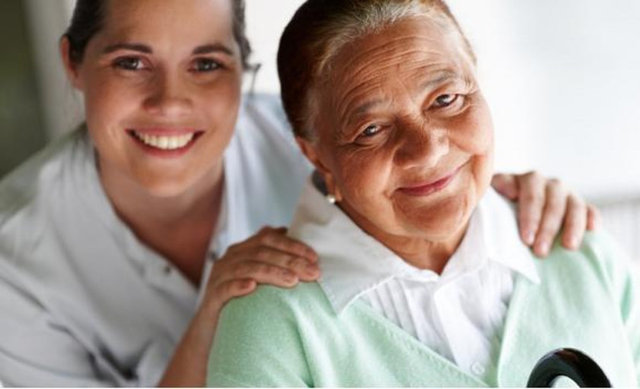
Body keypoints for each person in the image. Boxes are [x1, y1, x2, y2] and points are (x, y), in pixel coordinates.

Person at [0, 0, 598, 386]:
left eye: (207, 64)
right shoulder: (14, 264)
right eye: (131, 62)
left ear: (242, 70)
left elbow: (430, 145)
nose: (171, 102)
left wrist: (496, 199)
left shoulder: (313, 138)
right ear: (73, 65)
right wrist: (213, 318)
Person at [206, 0, 640, 386]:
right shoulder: (274, 326)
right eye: (371, 130)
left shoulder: (580, 249)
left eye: (447, 99)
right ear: (317, 156)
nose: (427, 149)